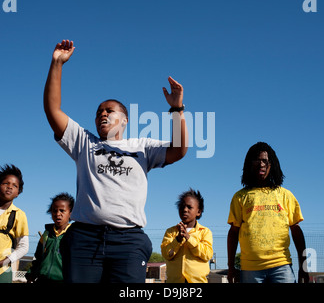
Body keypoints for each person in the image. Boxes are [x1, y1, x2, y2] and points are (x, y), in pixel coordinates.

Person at [43, 40, 188, 283]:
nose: (102, 113)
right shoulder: (84, 142)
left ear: (125, 119)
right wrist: (57, 63)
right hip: (85, 239)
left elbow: (179, 150)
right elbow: (52, 109)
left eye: (109, 110)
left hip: (129, 241)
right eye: (99, 111)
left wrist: (177, 110)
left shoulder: (142, 147)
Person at [227, 142, 309, 283]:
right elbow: (233, 232)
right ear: (249, 164)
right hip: (250, 268)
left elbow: (296, 231)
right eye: (257, 160)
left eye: (265, 160)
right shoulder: (240, 197)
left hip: (281, 266)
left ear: (272, 165)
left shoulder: (285, 195)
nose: (261, 164)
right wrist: (231, 267)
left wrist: (304, 266)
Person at [161, 189, 213, 283]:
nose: (185, 210)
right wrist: (177, 240)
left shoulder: (205, 232)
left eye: (189, 207)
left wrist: (189, 238)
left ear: (198, 212)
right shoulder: (171, 232)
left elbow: (207, 254)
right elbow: (166, 254)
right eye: (182, 207)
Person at [26, 193, 74, 283]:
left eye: (62, 211)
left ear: (70, 213)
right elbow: (38, 258)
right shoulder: (46, 234)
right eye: (54, 210)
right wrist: (31, 275)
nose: (58, 214)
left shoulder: (73, 235)